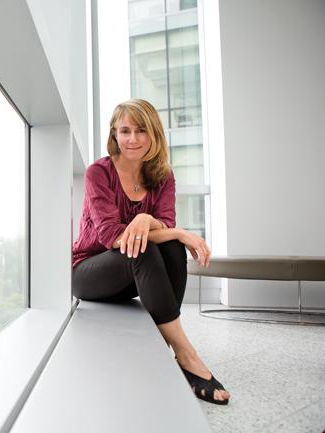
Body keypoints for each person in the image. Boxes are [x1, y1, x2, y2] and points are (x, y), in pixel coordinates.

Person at [71, 98, 230, 405]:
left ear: (154, 133)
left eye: (140, 130)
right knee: (144, 247)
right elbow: (111, 236)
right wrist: (181, 232)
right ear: (114, 135)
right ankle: (186, 354)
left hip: (130, 274)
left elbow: (164, 227)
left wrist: (150, 220)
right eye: (125, 130)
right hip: (89, 271)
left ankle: (162, 344)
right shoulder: (98, 173)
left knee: (170, 247)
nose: (132, 139)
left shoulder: (163, 176)